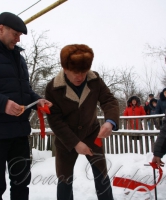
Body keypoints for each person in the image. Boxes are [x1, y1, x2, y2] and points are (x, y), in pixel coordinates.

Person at [45, 44, 119, 200]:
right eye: (75, 72)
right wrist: (75, 143)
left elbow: (109, 100)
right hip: (66, 139)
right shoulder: (53, 88)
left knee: (102, 175)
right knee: (64, 179)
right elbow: (55, 120)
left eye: (83, 72)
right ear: (65, 69)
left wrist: (110, 121)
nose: (80, 77)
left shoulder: (95, 80)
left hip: (92, 134)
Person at [0, 12, 52, 200]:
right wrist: (3, 104)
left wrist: (37, 101)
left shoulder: (19, 58)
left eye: (20, 35)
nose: (18, 39)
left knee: (21, 184)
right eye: (15, 34)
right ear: (1, 28)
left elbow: (25, 90)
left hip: (19, 133)